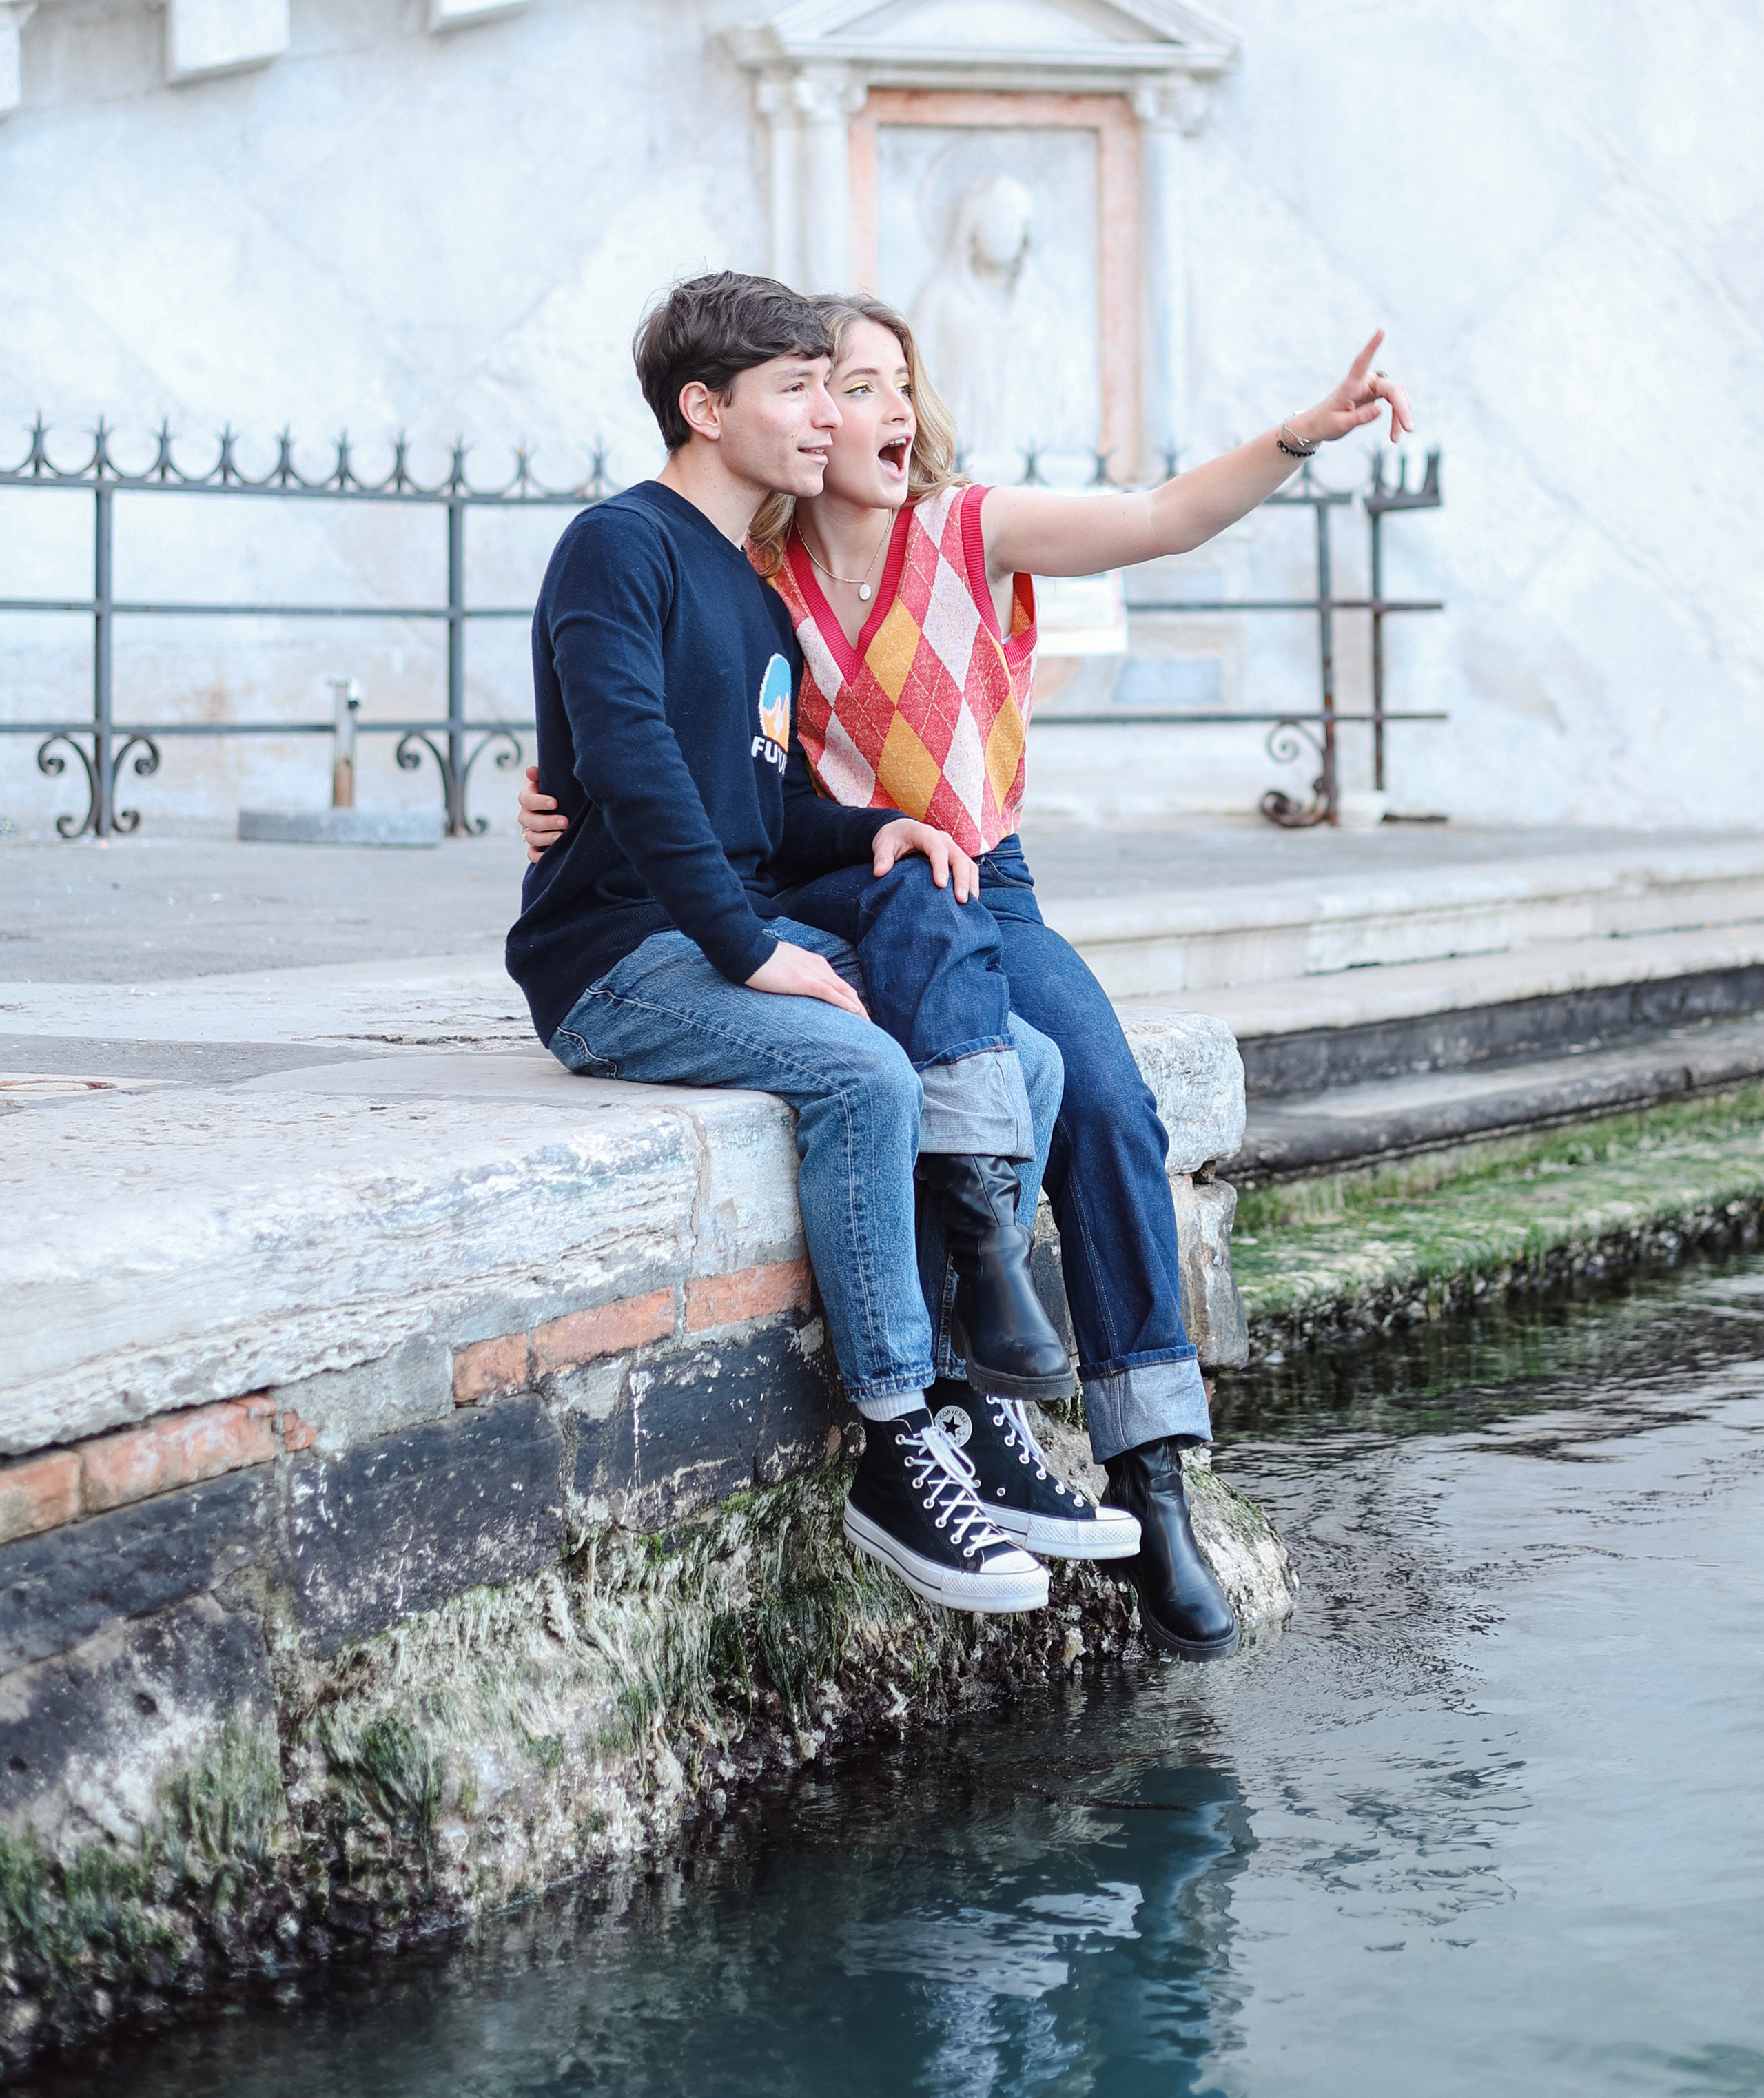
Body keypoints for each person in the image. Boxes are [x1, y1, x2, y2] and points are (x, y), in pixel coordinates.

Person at [523, 292, 1412, 1660]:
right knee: (901, 995)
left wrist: (1300, 431)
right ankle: (950, 1371)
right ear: (748, 413)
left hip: (941, 871)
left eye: (876, 386)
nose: (850, 412)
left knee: (1089, 1088)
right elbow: (661, 755)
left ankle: (1141, 1465)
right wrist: (581, 805)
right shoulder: (739, 568)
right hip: (801, 893)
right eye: (826, 387)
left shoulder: (959, 530)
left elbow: (1160, 519)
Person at [506, 271, 1106, 1621]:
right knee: (865, 1076)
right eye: (794, 390)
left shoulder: (754, 596)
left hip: (722, 927)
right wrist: (748, 946)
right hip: (614, 959)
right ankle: (898, 1438)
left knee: (1028, 1066)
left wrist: (879, 829)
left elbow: (764, 805)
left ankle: (967, 1410)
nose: (824, 418)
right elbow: (626, 757)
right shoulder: (621, 547)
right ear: (703, 408)